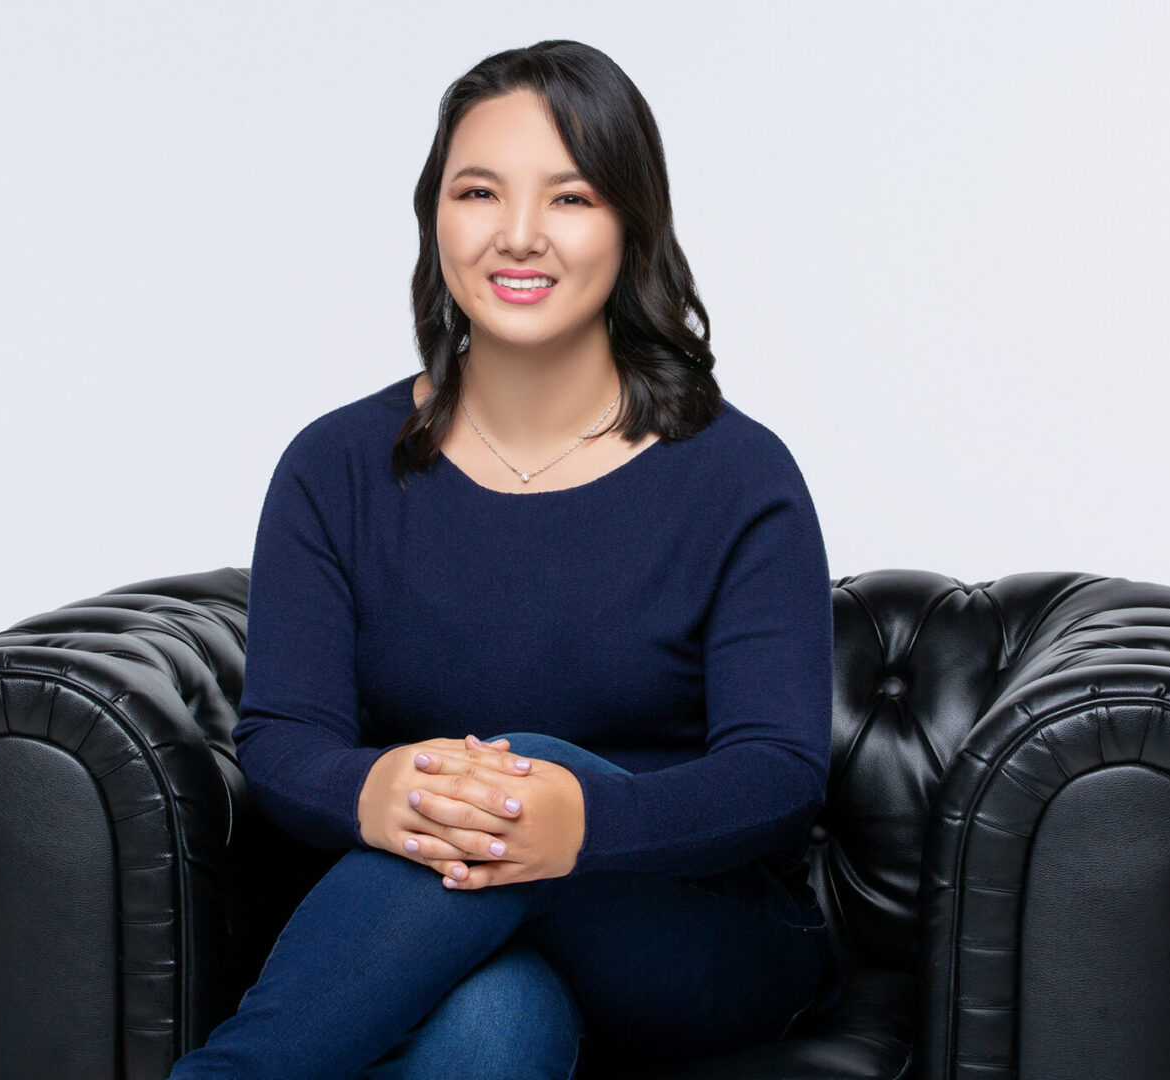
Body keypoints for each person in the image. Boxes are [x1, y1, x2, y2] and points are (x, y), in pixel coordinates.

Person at [168, 38, 843, 1080]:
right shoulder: (334, 467)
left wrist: (581, 819)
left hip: (694, 936)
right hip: (422, 922)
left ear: (631, 225)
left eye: (570, 199)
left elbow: (778, 774)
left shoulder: (740, 475)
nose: (518, 236)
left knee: (527, 765)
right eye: (479, 192)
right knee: (495, 1025)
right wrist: (375, 789)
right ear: (435, 216)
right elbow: (285, 737)